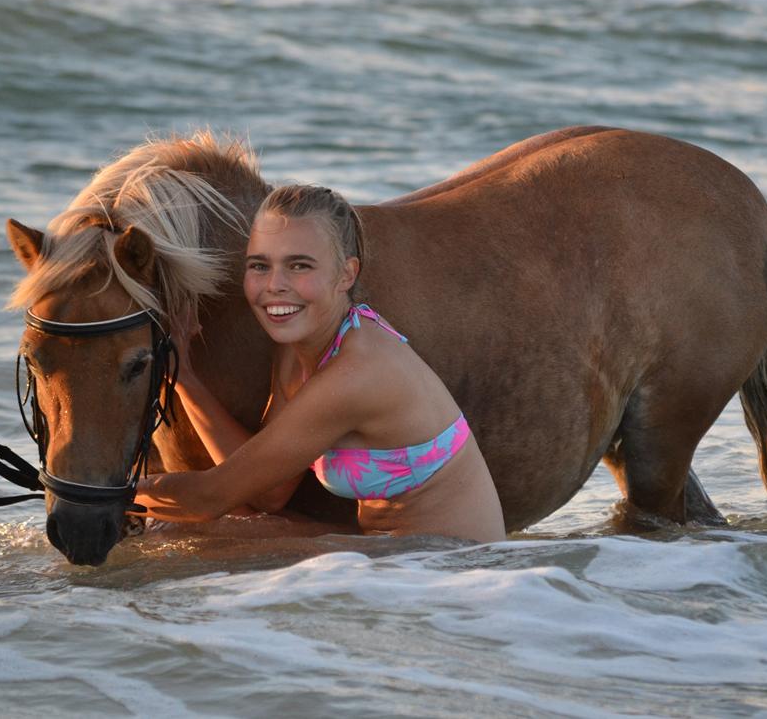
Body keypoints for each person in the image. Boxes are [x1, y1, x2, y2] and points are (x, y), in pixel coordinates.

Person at [133, 185, 506, 543]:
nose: (274, 284)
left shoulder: (357, 373)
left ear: (347, 274)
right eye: (259, 265)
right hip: (395, 551)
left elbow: (209, 497)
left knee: (177, 535)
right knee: (207, 529)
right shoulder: (298, 350)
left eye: (299, 266)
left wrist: (106, 492)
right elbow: (268, 494)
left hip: (451, 565)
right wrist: (184, 377)